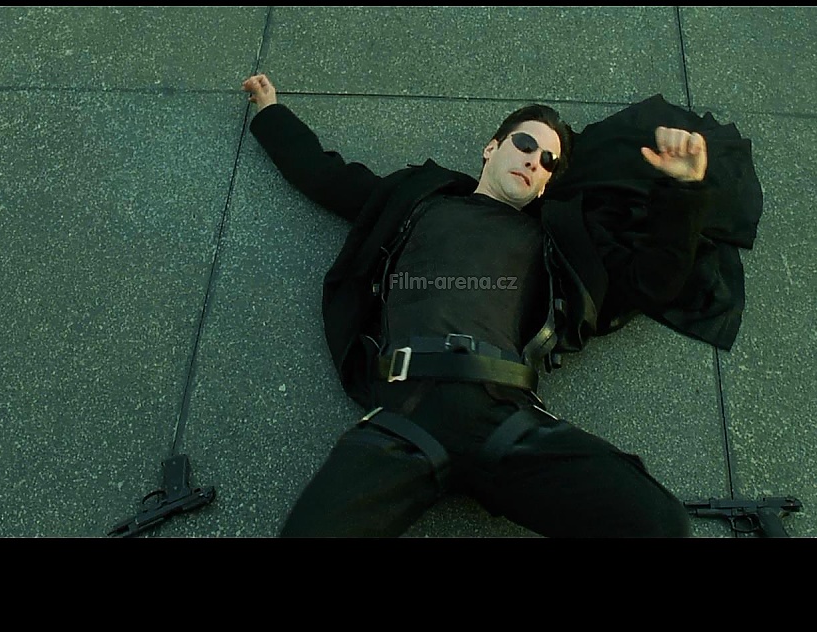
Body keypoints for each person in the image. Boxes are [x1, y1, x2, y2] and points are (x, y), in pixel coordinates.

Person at [242, 73, 712, 537]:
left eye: (547, 161)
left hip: (505, 416)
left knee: (660, 523)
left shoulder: (556, 242)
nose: (533, 161)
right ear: (492, 147)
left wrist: (684, 191)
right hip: (406, 415)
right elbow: (325, 176)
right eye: (525, 144)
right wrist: (271, 112)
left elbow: (653, 283)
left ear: (545, 185)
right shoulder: (418, 200)